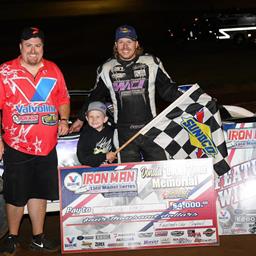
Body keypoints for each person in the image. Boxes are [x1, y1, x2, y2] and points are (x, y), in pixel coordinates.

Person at [0, 26, 70, 254]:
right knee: (16, 195)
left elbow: (63, 97)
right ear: (20, 47)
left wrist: (64, 119)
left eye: (37, 45)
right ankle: (12, 237)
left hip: (47, 146)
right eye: (28, 45)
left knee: (39, 193)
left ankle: (38, 237)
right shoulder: (5, 71)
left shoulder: (52, 70)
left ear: (42, 48)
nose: (33, 49)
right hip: (16, 144)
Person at [70, 24, 182, 163]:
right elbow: (95, 97)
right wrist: (81, 118)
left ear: (136, 44)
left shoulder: (152, 63)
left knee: (160, 173)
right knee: (129, 178)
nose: (125, 46)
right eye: (121, 42)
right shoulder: (106, 68)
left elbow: (168, 92)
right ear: (116, 45)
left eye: (129, 42)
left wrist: (195, 99)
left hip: (151, 129)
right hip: (124, 133)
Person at [77, 101, 116, 167]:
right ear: (87, 118)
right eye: (91, 116)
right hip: (92, 173)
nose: (94, 120)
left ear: (105, 119)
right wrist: (105, 157)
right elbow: (83, 158)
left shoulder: (112, 132)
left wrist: (114, 158)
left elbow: (117, 152)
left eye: (98, 116)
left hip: (111, 172)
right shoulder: (85, 135)